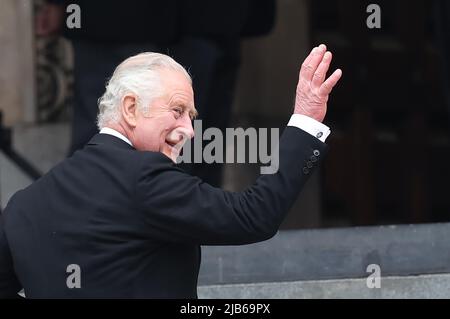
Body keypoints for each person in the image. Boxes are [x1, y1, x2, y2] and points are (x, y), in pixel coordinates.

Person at [0, 45, 341, 298]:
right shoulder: (144, 178)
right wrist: (306, 121)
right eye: (177, 111)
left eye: (191, 117)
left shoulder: (23, 206)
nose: (189, 130)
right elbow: (255, 215)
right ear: (130, 108)